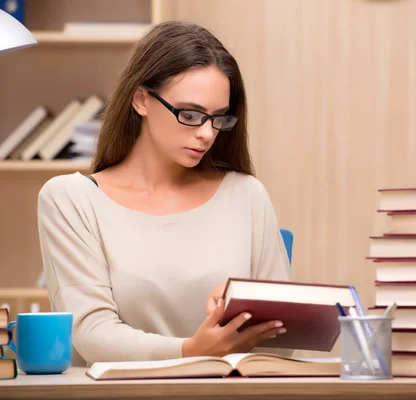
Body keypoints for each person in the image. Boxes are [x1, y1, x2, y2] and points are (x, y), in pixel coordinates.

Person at [36, 21, 291, 367]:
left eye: (218, 119)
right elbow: (92, 335)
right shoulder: (71, 199)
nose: (206, 134)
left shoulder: (246, 194)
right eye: (190, 114)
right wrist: (191, 352)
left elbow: (283, 340)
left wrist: (242, 311)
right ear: (141, 99)